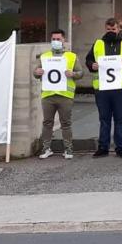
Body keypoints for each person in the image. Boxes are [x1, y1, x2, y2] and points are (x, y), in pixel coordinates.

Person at [87, 18, 122, 158]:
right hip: (102, 89)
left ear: (119, 29)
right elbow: (89, 60)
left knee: (120, 120)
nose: (111, 31)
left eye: (113, 29)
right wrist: (92, 65)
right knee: (104, 119)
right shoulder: (98, 44)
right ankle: (103, 148)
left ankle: (120, 148)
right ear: (105, 29)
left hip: (121, 89)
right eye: (108, 29)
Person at [33, 29, 83, 160]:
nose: (56, 41)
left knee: (65, 123)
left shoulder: (71, 56)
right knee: (47, 122)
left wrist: (73, 74)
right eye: (53, 39)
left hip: (65, 95)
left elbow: (80, 73)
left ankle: (68, 149)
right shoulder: (44, 56)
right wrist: (37, 72)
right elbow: (35, 72)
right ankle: (46, 148)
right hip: (48, 95)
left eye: (58, 39)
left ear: (63, 40)